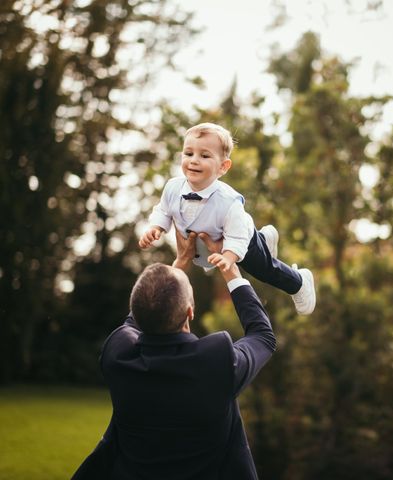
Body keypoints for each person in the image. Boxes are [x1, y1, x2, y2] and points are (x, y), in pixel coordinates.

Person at [72, 230, 275, 480]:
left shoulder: (119, 357)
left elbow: (139, 316)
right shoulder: (216, 363)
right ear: (190, 312)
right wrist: (231, 270)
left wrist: (177, 268)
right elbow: (262, 336)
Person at [139, 122, 315, 315]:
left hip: (239, 240)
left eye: (204, 156)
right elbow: (163, 211)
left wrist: (229, 257)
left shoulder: (229, 202)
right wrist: (156, 228)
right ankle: (264, 240)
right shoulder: (172, 187)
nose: (194, 160)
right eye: (188, 154)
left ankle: (299, 282)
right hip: (206, 249)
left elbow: (237, 237)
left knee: (263, 270)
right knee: (244, 257)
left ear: (223, 167)